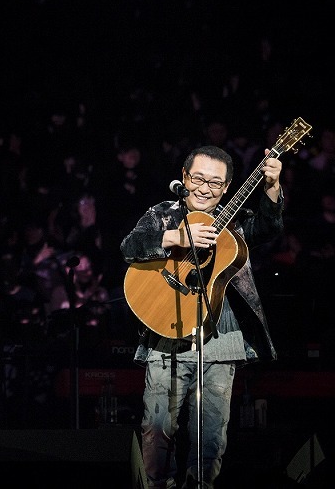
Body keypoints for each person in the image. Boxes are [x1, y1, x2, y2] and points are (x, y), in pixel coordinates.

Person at [120, 145, 284, 488]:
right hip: (167, 328)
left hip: (222, 334)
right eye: (197, 178)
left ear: (226, 188)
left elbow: (269, 230)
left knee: (211, 434)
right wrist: (176, 236)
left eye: (214, 183)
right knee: (157, 428)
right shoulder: (164, 213)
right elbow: (129, 247)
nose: (204, 188)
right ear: (184, 177)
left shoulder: (236, 220)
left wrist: (271, 187)